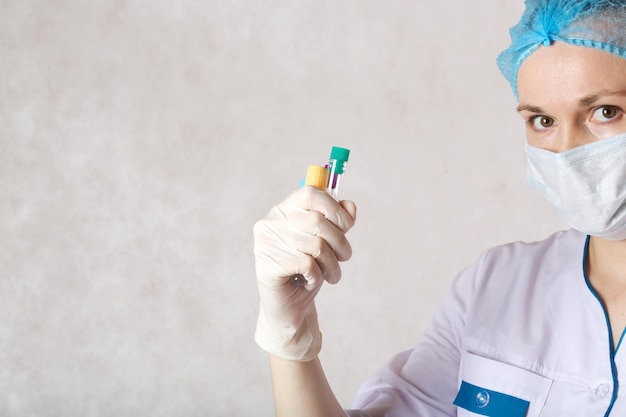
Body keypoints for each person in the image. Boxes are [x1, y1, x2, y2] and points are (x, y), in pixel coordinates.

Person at [252, 0, 626, 415]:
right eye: (542, 120)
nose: (566, 150)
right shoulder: (496, 285)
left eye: (605, 112)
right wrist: (289, 338)